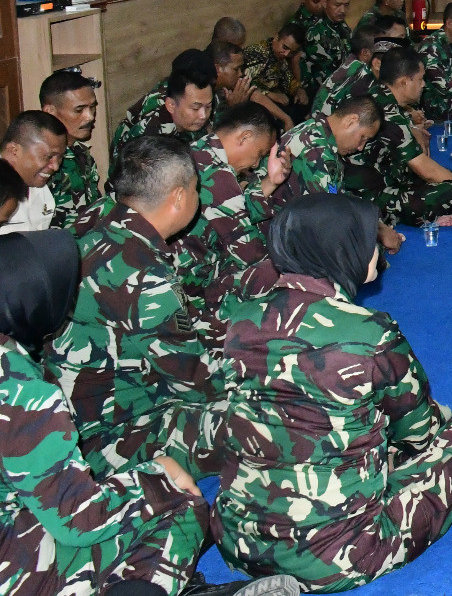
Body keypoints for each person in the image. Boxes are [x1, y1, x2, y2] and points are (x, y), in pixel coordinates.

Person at [214, 194, 452, 590]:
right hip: (339, 555)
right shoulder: (368, 332)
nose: (377, 246)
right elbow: (418, 432)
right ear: (340, 249)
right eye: (368, 238)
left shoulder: (238, 318)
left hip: (237, 543)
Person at [0, 229, 298, 596]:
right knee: (179, 502)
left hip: (27, 517)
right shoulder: (17, 388)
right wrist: (156, 475)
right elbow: (79, 518)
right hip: (16, 564)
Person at [41, 136, 221, 479]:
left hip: (71, 415)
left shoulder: (93, 221)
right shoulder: (147, 278)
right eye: (196, 189)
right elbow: (201, 385)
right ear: (179, 197)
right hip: (107, 438)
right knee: (256, 418)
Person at [170, 104, 285, 346]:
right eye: (259, 153)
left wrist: (270, 182)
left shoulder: (198, 151)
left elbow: (231, 212)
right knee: (273, 271)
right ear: (244, 137)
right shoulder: (218, 175)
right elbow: (249, 253)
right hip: (190, 289)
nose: (256, 164)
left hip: (178, 271)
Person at [345, 48, 452, 227]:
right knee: (451, 193)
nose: (424, 85)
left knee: (444, 181)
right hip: (367, 199)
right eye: (420, 79)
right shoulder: (388, 113)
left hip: (380, 180)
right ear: (404, 82)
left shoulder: (378, 96)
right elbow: (426, 169)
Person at [110, 50, 216, 155]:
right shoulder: (152, 136)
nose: (203, 115)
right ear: (171, 105)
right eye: (195, 108)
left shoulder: (189, 118)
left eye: (208, 107)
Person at [40, 68, 102, 230]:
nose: (90, 116)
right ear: (50, 112)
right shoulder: (39, 161)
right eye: (79, 110)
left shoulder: (81, 153)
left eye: (92, 107)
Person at [0, 111, 68, 235]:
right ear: (14, 150)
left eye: (60, 157)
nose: (56, 166)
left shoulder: (39, 186)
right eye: (48, 157)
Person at [310, 23, 385, 118]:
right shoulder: (362, 74)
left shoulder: (352, 61)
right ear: (365, 53)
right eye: (382, 49)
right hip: (326, 127)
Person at [241, 24, 307, 126]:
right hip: (256, 104)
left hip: (277, 102)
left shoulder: (281, 58)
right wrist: (269, 94)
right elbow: (243, 83)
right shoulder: (257, 54)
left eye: (291, 52)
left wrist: (298, 89)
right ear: (276, 37)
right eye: (285, 47)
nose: (286, 54)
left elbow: (290, 83)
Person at [300, 0, 354, 92]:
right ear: (325, 3)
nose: (342, 10)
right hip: (325, 91)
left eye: (346, 5)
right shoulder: (315, 33)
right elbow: (329, 73)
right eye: (337, 5)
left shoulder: (341, 25)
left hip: (345, 84)